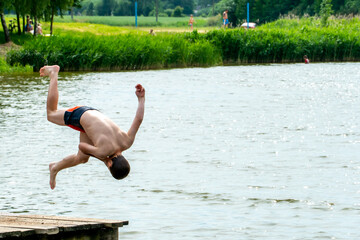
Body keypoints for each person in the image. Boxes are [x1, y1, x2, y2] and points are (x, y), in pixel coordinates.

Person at [39, 65, 145, 190]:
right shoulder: (103, 152)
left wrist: (141, 99)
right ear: (110, 164)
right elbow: (82, 147)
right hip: (81, 116)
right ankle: (53, 74)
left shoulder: (127, 142)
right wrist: (102, 159)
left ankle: (55, 167)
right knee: (51, 114)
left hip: (94, 114)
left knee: (82, 159)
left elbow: (138, 120)